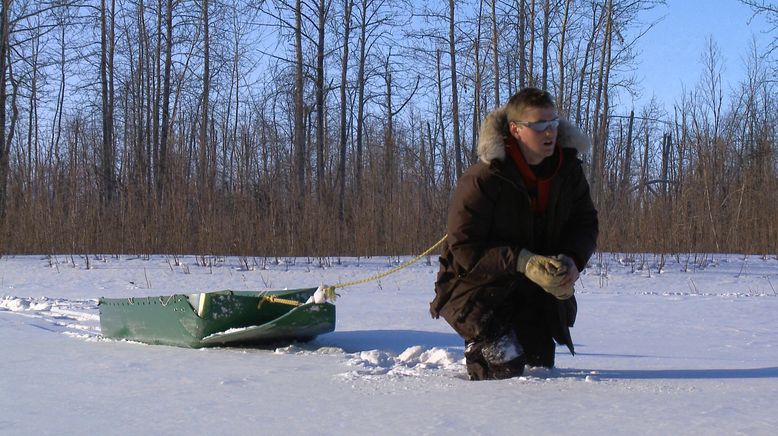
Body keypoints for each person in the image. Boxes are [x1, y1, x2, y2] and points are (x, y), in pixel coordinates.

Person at [430, 87, 598, 380]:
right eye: (539, 125)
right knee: (505, 369)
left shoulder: (567, 170)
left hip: (534, 294)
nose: (550, 133)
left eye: (553, 123)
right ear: (516, 130)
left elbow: (585, 222)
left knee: (540, 368)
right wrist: (523, 261)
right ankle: (479, 347)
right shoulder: (483, 178)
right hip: (479, 291)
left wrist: (572, 259)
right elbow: (465, 247)